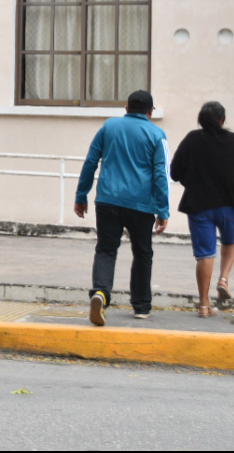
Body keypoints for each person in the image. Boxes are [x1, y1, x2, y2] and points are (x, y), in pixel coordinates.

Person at [75, 90, 170, 326]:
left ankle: (101, 293)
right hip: (141, 205)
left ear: (126, 108)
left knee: (106, 249)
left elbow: (90, 161)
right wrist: (163, 210)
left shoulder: (109, 127)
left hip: (108, 200)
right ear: (151, 112)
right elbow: (161, 174)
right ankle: (141, 306)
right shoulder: (157, 135)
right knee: (142, 252)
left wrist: (81, 195)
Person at [170, 101, 234, 317]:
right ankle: (223, 279)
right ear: (222, 120)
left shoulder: (191, 139)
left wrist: (191, 181)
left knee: (205, 254)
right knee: (231, 241)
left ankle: (204, 305)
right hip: (230, 206)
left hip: (199, 206)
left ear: (200, 120)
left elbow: (174, 172)